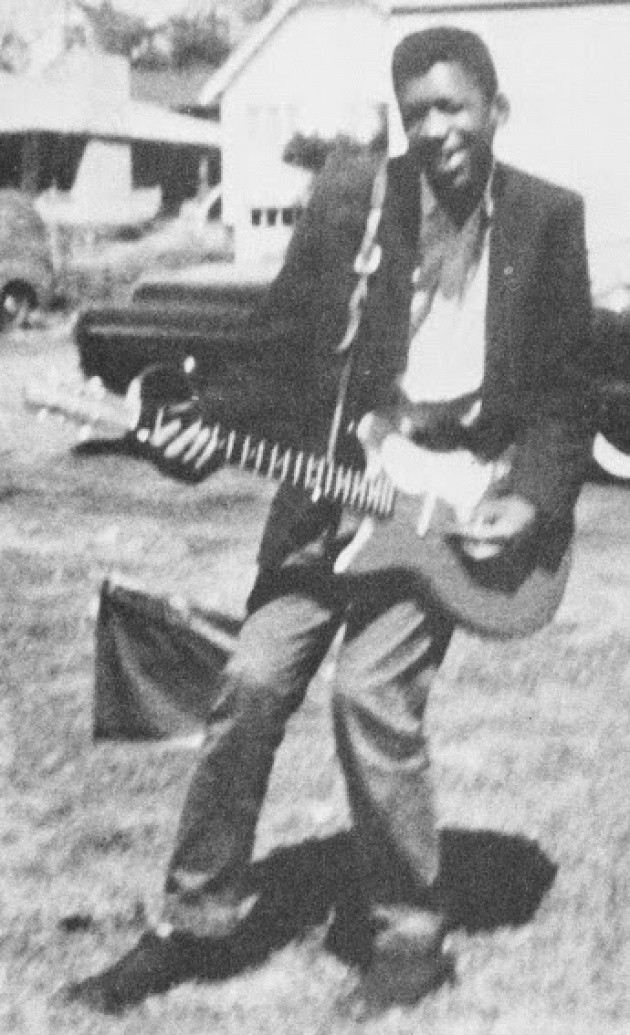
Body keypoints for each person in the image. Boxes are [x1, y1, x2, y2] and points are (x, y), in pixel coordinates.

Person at [62, 26, 595, 1015]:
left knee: (369, 695)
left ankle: (409, 938)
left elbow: (569, 391)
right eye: (417, 111)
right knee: (251, 678)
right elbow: (277, 351)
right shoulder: (355, 204)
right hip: (333, 500)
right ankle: (194, 922)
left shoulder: (547, 220)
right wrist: (204, 431)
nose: (436, 129)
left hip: (448, 514)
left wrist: (532, 494)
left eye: (454, 106)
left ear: (495, 109)